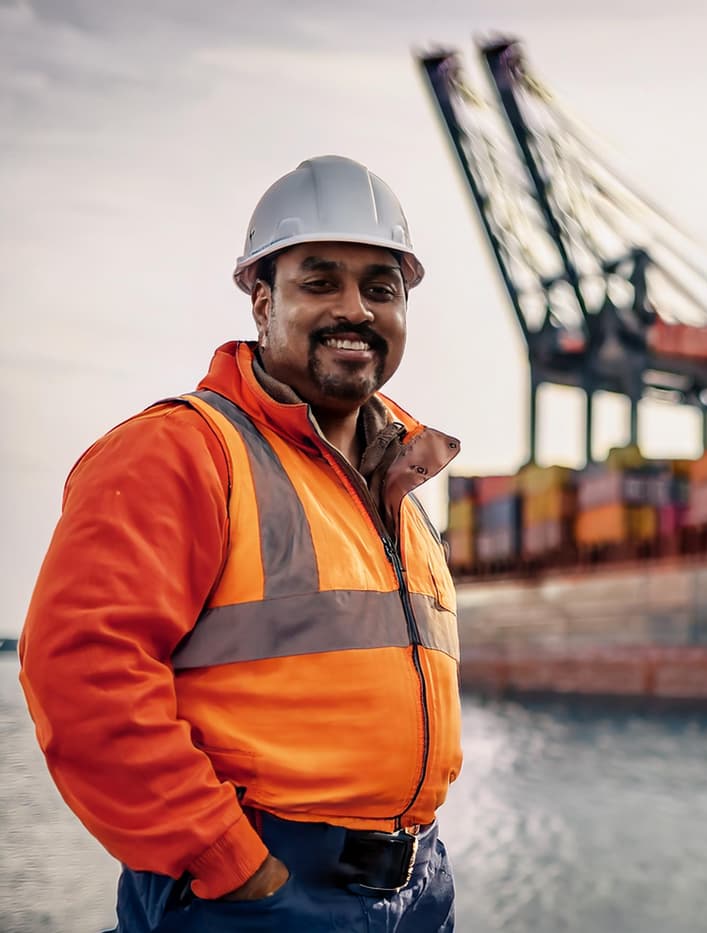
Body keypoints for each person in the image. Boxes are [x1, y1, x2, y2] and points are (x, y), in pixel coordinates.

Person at [20, 155, 462, 932]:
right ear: (262, 301)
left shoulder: (399, 485)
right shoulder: (181, 451)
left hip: (416, 891)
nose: (354, 309)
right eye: (319, 282)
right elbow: (81, 670)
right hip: (260, 895)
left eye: (380, 288)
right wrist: (227, 859)